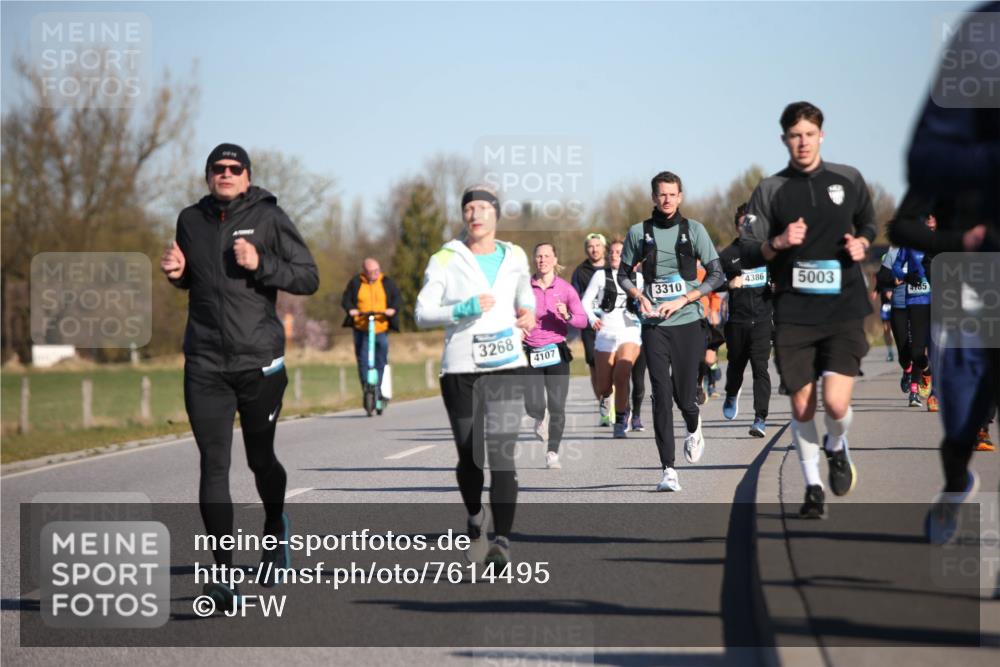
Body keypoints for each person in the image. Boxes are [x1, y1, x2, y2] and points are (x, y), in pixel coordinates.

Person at [160, 143, 319, 600]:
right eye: (218, 169)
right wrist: (177, 275)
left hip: (258, 362)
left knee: (260, 460)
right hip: (205, 361)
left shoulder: (269, 216)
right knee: (214, 464)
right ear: (208, 175)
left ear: (247, 176)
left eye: (234, 169)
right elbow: (196, 278)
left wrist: (262, 263)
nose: (225, 174)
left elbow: (308, 276)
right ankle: (224, 572)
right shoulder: (190, 220)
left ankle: (274, 526)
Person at [739, 102, 877, 518]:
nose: (803, 142)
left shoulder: (848, 178)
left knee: (835, 404)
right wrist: (777, 243)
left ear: (821, 136)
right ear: (785, 139)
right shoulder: (769, 189)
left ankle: (836, 445)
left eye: (809, 134)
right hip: (794, 311)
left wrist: (863, 243)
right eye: (795, 135)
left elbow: (869, 222)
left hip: (843, 308)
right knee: (802, 406)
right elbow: (748, 249)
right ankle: (813, 486)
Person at [415, 183, 535, 566]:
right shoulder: (446, 258)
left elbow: (524, 294)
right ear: (464, 215)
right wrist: (463, 307)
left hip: (507, 365)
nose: (476, 214)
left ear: (496, 215)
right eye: (470, 208)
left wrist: (528, 311)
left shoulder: (515, 255)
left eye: (484, 208)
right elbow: (422, 312)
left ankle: (502, 541)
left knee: (502, 455)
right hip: (461, 368)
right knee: (470, 457)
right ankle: (474, 517)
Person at [618, 171, 725, 491]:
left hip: (689, 321)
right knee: (660, 395)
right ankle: (668, 470)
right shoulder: (639, 232)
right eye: (661, 194)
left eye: (672, 194)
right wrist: (638, 297)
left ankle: (694, 427)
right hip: (653, 326)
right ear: (654, 197)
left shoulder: (695, 230)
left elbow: (717, 274)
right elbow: (623, 274)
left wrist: (685, 298)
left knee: (684, 396)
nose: (666, 200)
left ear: (680, 197)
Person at [523, 243, 587, 468]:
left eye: (546, 256)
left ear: (554, 259)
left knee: (557, 405)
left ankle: (552, 453)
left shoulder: (566, 289)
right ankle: (539, 417)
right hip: (530, 350)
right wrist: (517, 324)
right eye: (538, 256)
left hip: (556, 351)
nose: (542, 260)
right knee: (533, 404)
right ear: (534, 260)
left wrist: (567, 315)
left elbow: (583, 320)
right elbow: (509, 315)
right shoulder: (523, 288)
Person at [718, 203, 773, 437]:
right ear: (738, 226)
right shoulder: (727, 255)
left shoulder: (768, 253)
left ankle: (760, 418)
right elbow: (711, 282)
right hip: (737, 322)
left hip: (762, 320)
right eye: (744, 223)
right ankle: (731, 393)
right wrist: (729, 284)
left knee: (761, 368)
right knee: (736, 366)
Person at [581, 239, 644, 439]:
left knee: (622, 374)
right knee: (604, 386)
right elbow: (585, 302)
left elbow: (648, 302)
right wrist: (592, 319)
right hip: (605, 334)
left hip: (630, 332)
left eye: (620, 252)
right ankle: (606, 397)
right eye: (613, 252)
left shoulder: (639, 278)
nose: (615, 255)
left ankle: (620, 421)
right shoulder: (600, 276)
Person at [341, 258, 402, 411]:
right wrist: (351, 310)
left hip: (381, 327)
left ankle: (379, 389)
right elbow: (346, 300)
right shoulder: (356, 283)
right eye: (371, 272)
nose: (375, 274)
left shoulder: (386, 282)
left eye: (377, 270)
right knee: (363, 359)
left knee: (381, 357)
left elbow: (397, 299)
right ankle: (367, 389)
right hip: (362, 327)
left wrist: (392, 309)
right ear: (364, 271)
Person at [571, 233, 613, 425]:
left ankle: (616, 404)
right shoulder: (580, 271)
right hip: (589, 326)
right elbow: (574, 299)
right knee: (594, 365)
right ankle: (603, 405)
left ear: (604, 248)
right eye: (590, 246)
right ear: (586, 249)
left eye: (598, 245)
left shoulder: (612, 267)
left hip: (612, 323)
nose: (594, 249)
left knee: (614, 363)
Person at [892, 219, 934, 408]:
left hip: (939, 301)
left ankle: (933, 393)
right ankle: (926, 371)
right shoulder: (908, 247)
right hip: (916, 301)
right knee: (917, 352)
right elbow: (896, 267)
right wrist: (906, 276)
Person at [696, 262, 725, 404]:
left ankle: (712, 380)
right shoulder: (679, 272)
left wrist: (714, 311)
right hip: (687, 320)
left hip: (705, 320)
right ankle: (700, 386)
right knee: (698, 358)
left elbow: (714, 295)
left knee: (708, 359)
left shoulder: (704, 273)